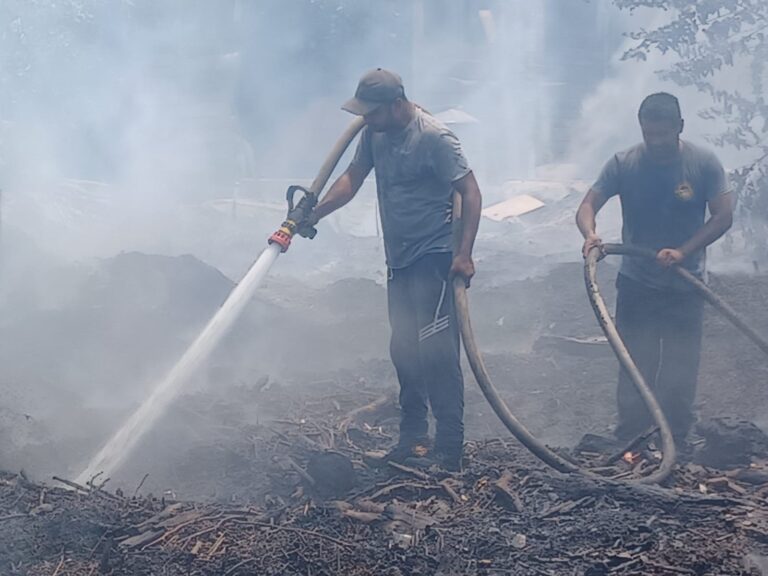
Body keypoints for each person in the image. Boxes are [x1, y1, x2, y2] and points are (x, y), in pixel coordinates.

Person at [309, 68, 482, 470]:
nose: (364, 119)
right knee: (403, 349)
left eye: (371, 112)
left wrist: (464, 253)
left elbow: (470, 191)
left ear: (396, 104)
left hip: (435, 256)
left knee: (437, 352)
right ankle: (412, 436)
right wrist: (314, 214)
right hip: (399, 259)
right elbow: (352, 178)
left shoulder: (434, 137)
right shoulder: (375, 135)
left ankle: (449, 449)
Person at [576, 92, 733, 450]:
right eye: (650, 135)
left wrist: (683, 251)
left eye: (664, 134)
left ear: (680, 126)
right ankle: (631, 438)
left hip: (686, 285)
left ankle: (676, 439)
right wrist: (591, 234)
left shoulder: (703, 163)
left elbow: (723, 216)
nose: (657, 142)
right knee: (635, 365)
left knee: (680, 368)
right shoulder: (623, 163)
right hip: (637, 284)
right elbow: (588, 205)